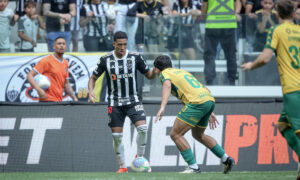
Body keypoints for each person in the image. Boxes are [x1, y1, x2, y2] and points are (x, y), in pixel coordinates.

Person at [241, 0, 300, 178]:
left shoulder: (277, 30)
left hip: (293, 89)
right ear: (293, 14)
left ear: (276, 14)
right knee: (282, 125)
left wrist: (252, 65)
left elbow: (266, 58)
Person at [153, 55, 235, 173]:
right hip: (208, 100)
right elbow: (205, 88)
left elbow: (167, 85)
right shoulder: (181, 72)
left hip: (198, 103)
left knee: (175, 134)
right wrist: (209, 110)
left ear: (156, 69)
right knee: (198, 135)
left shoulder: (164, 74)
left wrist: (162, 107)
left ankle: (193, 167)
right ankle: (226, 159)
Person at [88, 31, 156, 173]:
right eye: (119, 44)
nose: (122, 47)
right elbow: (93, 77)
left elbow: (149, 76)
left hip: (133, 100)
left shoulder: (135, 57)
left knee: (143, 129)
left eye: (125, 44)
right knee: (117, 137)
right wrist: (91, 91)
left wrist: (156, 70)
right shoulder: (105, 59)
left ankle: (140, 157)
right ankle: (122, 166)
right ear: (114, 44)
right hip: (115, 102)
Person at [27, 37, 78, 102]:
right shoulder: (46, 61)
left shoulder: (66, 63)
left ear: (66, 47)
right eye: (59, 44)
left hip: (59, 101)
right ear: (53, 46)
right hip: (47, 100)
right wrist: (39, 90)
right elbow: (29, 75)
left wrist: (74, 98)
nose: (61, 45)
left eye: (63, 44)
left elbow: (66, 84)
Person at [201, 0, 238, 85]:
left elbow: (204, 6)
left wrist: (204, 16)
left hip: (212, 25)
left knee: (209, 55)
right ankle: (232, 81)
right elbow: (236, 3)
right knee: (231, 55)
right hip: (229, 25)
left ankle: (210, 82)